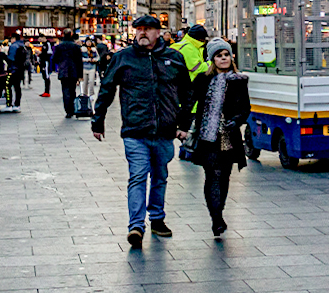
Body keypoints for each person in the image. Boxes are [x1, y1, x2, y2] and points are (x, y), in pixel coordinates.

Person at [92, 14, 195, 248]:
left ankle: (157, 218)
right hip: (135, 130)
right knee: (138, 176)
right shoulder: (123, 58)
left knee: (160, 176)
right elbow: (106, 89)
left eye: (148, 29)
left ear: (158, 33)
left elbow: (188, 93)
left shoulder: (173, 58)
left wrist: (183, 124)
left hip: (165, 130)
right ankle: (136, 226)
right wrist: (98, 121)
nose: (142, 33)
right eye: (139, 29)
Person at [186, 38, 250, 237]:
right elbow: (189, 102)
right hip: (207, 137)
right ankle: (216, 218)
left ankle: (218, 211)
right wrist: (181, 126)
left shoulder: (239, 81)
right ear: (212, 59)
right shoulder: (202, 80)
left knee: (224, 177)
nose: (223, 58)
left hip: (228, 136)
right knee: (213, 175)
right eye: (219, 55)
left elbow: (245, 108)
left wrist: (237, 120)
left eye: (226, 55)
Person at [51, 30, 84, 118]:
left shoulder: (59, 46)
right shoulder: (76, 46)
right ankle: (72, 108)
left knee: (65, 90)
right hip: (74, 70)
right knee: (72, 90)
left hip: (63, 70)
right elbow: (79, 61)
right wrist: (81, 75)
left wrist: (60, 63)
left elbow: (54, 59)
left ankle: (68, 110)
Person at [7, 35, 32, 109]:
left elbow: (10, 58)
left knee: (8, 86)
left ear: (13, 38)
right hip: (20, 69)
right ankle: (17, 104)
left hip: (13, 69)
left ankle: (9, 103)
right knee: (17, 87)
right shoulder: (23, 46)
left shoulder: (13, 46)